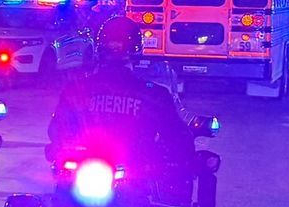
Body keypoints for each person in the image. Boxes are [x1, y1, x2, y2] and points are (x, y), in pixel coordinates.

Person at [49, 15, 192, 180]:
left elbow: (174, 134)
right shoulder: (153, 94)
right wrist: (60, 148)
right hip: (85, 171)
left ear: (99, 50)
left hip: (132, 175)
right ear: (137, 52)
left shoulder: (77, 88)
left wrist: (174, 158)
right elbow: (58, 128)